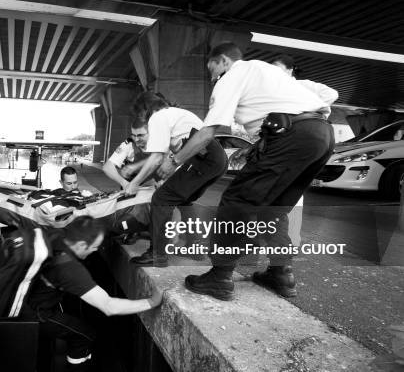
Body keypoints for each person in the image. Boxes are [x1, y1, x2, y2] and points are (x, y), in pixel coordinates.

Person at [164, 42, 335, 301]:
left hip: (291, 135)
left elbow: (208, 131)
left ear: (222, 60)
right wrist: (262, 143)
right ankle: (281, 273)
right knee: (273, 210)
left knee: (238, 202)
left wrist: (174, 161)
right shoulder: (266, 71)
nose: (210, 72)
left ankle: (220, 276)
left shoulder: (232, 75)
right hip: (321, 134)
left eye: (210, 65)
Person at [19, 216, 163, 371]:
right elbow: (109, 307)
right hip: (33, 313)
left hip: (17, 299)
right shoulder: (68, 269)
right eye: (94, 246)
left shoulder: (57, 235)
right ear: (81, 244)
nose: (96, 250)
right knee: (84, 335)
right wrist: (152, 302)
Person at [124, 91, 228, 267]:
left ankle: (157, 255)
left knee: (161, 199)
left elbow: (157, 157)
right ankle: (196, 247)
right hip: (216, 158)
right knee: (183, 199)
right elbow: (167, 155)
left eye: (140, 115)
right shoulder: (176, 114)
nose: (142, 119)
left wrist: (134, 183)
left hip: (203, 159)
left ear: (145, 110)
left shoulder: (157, 118)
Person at [272, 54, 338, 117]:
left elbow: (331, 94)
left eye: (277, 69)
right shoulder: (275, 90)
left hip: (309, 123)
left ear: (289, 71)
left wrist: (306, 109)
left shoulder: (303, 84)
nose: (274, 72)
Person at [102, 116, 151, 189]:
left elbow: (160, 158)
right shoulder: (128, 145)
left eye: (140, 135)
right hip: (136, 190)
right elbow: (107, 167)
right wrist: (125, 184)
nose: (136, 139)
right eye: (134, 135)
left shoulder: (162, 142)